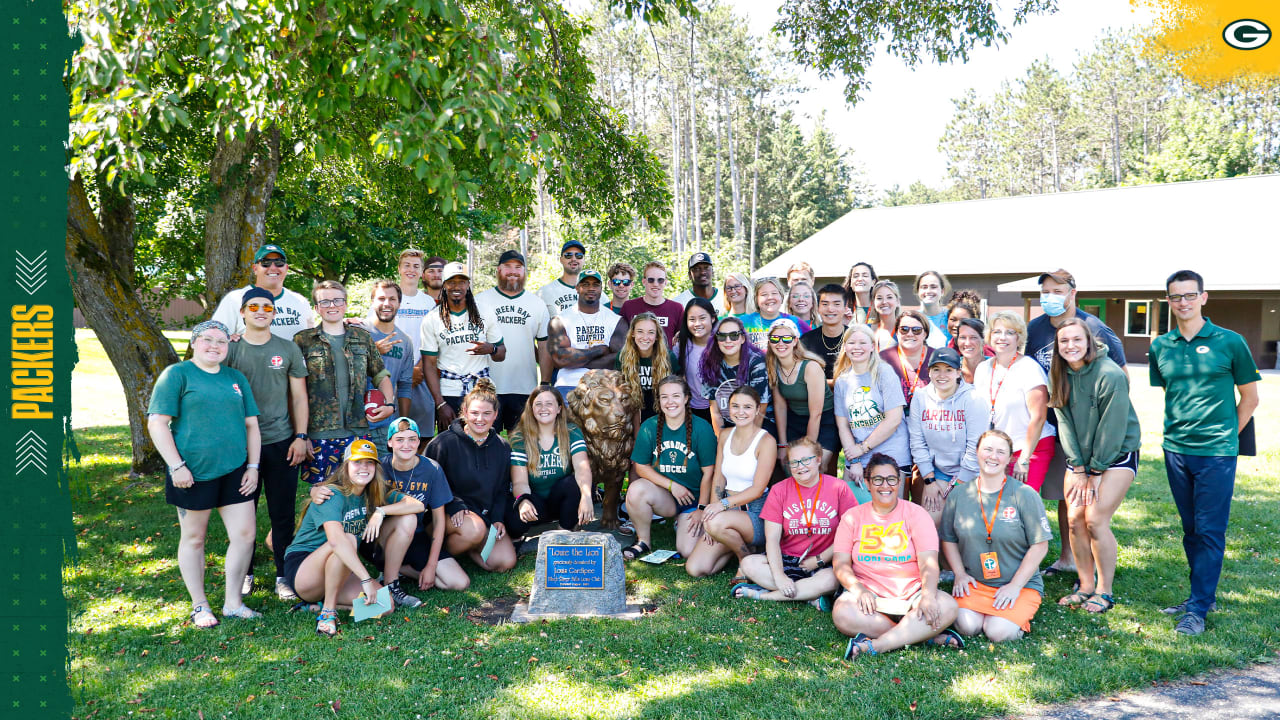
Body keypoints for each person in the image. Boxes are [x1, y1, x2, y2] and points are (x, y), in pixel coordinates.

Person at [1150, 269, 1260, 635]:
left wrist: (1227, 437)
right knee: (1190, 529)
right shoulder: (1160, 346)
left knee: (1210, 530)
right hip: (1175, 449)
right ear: (1168, 300)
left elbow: (1250, 397)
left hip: (1216, 453)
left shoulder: (1230, 342)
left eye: (1189, 295)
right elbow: (1171, 393)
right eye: (1175, 297)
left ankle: (1197, 610)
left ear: (1203, 297)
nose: (1183, 302)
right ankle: (1202, 595)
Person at [147, 320, 263, 628]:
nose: (215, 346)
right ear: (195, 343)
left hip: (236, 469)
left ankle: (233, 603)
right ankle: (199, 606)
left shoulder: (235, 377)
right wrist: (176, 466)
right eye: (208, 340)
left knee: (244, 535)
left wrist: (253, 466)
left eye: (222, 342)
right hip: (192, 472)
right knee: (195, 538)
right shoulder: (177, 374)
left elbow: (252, 425)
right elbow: (158, 423)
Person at [1024, 268, 1128, 579]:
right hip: (1054, 424)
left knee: (1088, 506)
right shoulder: (1035, 329)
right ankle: (1068, 557)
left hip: (1091, 430)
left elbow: (1120, 376)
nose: (1051, 297)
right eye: (1046, 292)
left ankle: (1090, 562)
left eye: (1058, 291)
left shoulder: (1094, 327)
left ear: (1073, 293)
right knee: (1062, 495)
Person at [306, 420, 471, 608]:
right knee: (402, 521)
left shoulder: (431, 469)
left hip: (414, 538)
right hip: (375, 538)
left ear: (419, 442)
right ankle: (390, 583)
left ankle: (395, 573)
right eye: (399, 439)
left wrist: (431, 566)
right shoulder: (376, 467)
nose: (406, 445)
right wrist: (314, 491)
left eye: (412, 439)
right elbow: (337, 482)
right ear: (390, 442)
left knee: (457, 583)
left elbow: (437, 519)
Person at [283, 438, 426, 636]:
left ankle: (314, 606)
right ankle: (328, 613)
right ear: (346, 466)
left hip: (339, 568)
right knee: (347, 539)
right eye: (357, 462)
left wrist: (381, 512)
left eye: (369, 463)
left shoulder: (373, 493)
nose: (363, 467)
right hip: (305, 570)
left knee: (386, 606)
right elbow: (336, 540)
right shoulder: (332, 494)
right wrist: (366, 579)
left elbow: (417, 506)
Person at [1048, 319, 1140, 615]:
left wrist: (1096, 472)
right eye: (1064, 341)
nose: (1070, 346)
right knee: (1074, 518)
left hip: (1115, 455)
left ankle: (1104, 591)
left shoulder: (1110, 374)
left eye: (1077, 340)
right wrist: (1077, 468)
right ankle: (1085, 585)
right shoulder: (1060, 372)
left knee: (1095, 519)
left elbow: (1112, 430)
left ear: (1088, 342)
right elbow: (1063, 421)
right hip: (1080, 460)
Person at [224, 288, 311, 600]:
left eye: (267, 307)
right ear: (243, 312)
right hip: (239, 444)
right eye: (254, 306)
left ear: (274, 313)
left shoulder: (287, 349)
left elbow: (300, 397)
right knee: (241, 512)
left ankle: (283, 575)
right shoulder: (230, 349)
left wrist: (300, 437)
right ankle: (243, 572)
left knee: (282, 513)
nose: (261, 311)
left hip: (280, 441)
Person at [832, 456, 962, 658]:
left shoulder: (916, 514)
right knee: (842, 613)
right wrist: (859, 590)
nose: (885, 485)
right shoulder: (852, 517)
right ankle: (922, 635)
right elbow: (840, 564)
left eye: (891, 479)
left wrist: (927, 596)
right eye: (878, 480)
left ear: (899, 482)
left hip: (912, 595)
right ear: (867, 483)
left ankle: (878, 645)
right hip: (871, 598)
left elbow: (929, 563)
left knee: (949, 606)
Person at [941, 430, 1053, 643]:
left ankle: (1008, 618)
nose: (993, 456)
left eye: (1000, 452)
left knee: (998, 632)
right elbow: (948, 539)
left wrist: (1015, 586)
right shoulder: (959, 495)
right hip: (976, 582)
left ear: (1010, 458)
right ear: (977, 453)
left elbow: (1040, 546)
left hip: (1019, 584)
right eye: (988, 450)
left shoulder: (1024, 494)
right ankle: (986, 613)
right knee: (966, 625)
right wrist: (959, 574)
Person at [731, 437, 859, 608]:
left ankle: (765, 596)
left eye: (806, 460)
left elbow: (850, 533)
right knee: (748, 563)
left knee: (832, 579)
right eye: (794, 462)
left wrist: (820, 559)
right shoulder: (779, 490)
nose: (800, 466)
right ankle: (808, 595)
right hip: (787, 559)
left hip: (823, 561)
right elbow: (772, 540)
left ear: (818, 459)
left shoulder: (838, 487)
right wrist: (779, 575)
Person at [294, 280, 396, 485]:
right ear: (317, 308)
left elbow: (380, 375)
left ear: (346, 304)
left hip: (357, 431)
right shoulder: (302, 341)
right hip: (319, 434)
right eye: (325, 302)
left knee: (359, 491)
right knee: (323, 494)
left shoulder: (362, 337)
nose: (332, 306)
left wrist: (390, 405)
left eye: (337, 300)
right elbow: (296, 393)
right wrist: (301, 436)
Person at [424, 379, 518, 572]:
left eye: (486, 414)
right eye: (474, 413)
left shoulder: (502, 447)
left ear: (495, 415)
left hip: (483, 518)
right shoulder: (443, 443)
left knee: (504, 562)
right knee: (473, 531)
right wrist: (453, 504)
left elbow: (502, 490)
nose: (480, 419)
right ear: (465, 413)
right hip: (447, 516)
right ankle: (438, 555)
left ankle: (470, 548)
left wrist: (498, 518)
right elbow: (429, 484)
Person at [623, 375, 719, 561]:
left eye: (675, 396)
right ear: (658, 400)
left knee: (688, 551)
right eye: (664, 397)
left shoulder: (702, 428)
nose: (670, 402)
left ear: (686, 398)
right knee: (636, 490)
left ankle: (681, 522)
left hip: (694, 498)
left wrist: (701, 508)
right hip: (666, 497)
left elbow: (710, 473)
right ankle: (643, 541)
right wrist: (671, 485)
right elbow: (641, 467)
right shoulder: (649, 427)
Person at [692, 387, 775, 579]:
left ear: (757, 410)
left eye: (747, 407)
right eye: (735, 406)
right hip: (727, 512)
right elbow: (719, 478)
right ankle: (742, 545)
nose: (740, 412)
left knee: (716, 524)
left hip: (754, 512)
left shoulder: (766, 441)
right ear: (728, 409)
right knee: (696, 568)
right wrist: (710, 513)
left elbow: (757, 489)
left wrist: (720, 508)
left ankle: (745, 559)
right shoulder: (725, 435)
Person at [972, 312, 1056, 492]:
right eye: (997, 332)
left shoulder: (1029, 368)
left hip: (1029, 449)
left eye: (1010, 332)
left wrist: (1024, 459)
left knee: (1019, 506)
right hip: (997, 450)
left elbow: (1039, 417)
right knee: (994, 503)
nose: (1002, 337)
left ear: (1019, 338)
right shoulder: (983, 368)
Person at [364, 248, 440, 445]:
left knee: (420, 430)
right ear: (399, 268)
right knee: (388, 428)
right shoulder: (388, 297)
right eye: (406, 265)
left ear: (422, 271)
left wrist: (419, 368)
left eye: (416, 266)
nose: (411, 270)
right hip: (388, 369)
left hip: (420, 370)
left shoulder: (428, 302)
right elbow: (370, 330)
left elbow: (434, 338)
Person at [419, 262, 506, 431]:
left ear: (468, 284)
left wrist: (492, 349)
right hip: (449, 392)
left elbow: (501, 353)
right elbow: (429, 365)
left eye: (461, 281)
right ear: (444, 285)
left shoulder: (484, 311)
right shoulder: (432, 318)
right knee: (453, 444)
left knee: (482, 440)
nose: (456, 286)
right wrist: (440, 403)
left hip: (480, 389)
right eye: (451, 282)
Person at [907, 348, 988, 526]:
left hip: (971, 471)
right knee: (929, 522)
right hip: (938, 471)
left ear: (958, 372)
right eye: (936, 369)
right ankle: (934, 555)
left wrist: (958, 485)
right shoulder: (920, 397)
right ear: (929, 372)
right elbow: (917, 442)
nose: (942, 375)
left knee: (963, 526)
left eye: (948, 370)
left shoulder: (974, 399)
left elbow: (977, 446)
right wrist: (929, 480)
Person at [476, 250, 552, 433]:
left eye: (518, 267)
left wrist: (546, 383)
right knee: (484, 440)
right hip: (487, 386)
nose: (513, 271)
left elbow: (544, 347)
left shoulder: (536, 304)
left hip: (524, 387)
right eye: (507, 267)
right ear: (498, 270)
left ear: (525, 272)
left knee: (521, 444)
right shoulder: (480, 301)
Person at [505, 388, 595, 538]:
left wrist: (586, 496)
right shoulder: (520, 437)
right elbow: (519, 482)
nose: (543, 408)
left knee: (576, 485)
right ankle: (533, 524)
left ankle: (564, 530)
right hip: (536, 501)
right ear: (531, 409)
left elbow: (582, 468)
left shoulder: (571, 431)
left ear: (559, 408)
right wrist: (523, 501)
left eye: (549, 403)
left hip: (560, 499)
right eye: (538, 404)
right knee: (514, 524)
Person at [833, 324, 910, 493]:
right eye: (852, 343)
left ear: (872, 347)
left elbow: (894, 420)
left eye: (862, 343)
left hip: (890, 451)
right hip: (857, 455)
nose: (857, 347)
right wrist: (854, 461)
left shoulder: (884, 372)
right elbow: (843, 426)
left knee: (889, 512)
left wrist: (862, 448)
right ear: (845, 347)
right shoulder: (842, 381)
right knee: (852, 511)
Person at [767, 317, 837, 470]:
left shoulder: (810, 368)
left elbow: (816, 414)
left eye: (786, 338)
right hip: (795, 420)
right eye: (775, 339)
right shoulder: (773, 367)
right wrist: (783, 444)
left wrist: (808, 449)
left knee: (813, 466)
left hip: (824, 420)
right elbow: (780, 407)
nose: (780, 343)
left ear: (795, 341)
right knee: (790, 467)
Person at [547, 269, 628, 399]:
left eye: (595, 285)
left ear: (601, 288)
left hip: (605, 385)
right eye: (585, 284)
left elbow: (620, 358)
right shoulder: (560, 320)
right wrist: (598, 350)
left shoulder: (616, 321)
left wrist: (577, 359)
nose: (591, 288)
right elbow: (560, 359)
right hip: (568, 385)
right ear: (577, 288)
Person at [210, 244, 313, 340]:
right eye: (265, 263)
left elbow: (311, 341)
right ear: (255, 269)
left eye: (279, 262)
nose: (273, 268)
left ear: (286, 268)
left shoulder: (300, 302)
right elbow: (213, 338)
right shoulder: (235, 299)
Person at [699, 315, 772, 437]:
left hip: (758, 425)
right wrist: (721, 440)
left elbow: (761, 409)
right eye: (722, 336)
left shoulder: (756, 363)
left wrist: (747, 442)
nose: (728, 340)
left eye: (734, 335)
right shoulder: (711, 363)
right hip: (728, 426)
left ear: (742, 338)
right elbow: (715, 412)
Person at [366, 281, 415, 440]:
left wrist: (402, 424)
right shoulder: (357, 331)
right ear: (372, 302)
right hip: (353, 425)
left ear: (399, 303)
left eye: (392, 299)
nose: (386, 303)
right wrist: (373, 352)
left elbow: (405, 385)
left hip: (385, 425)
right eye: (381, 298)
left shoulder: (405, 341)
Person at [615, 312, 677, 427]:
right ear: (632, 333)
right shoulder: (623, 357)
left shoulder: (668, 357)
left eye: (651, 332)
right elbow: (620, 393)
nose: (645, 337)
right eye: (640, 331)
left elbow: (677, 392)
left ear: (657, 336)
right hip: (632, 413)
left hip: (662, 413)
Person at [880, 310, 936, 413]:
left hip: (929, 420)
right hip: (893, 422)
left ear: (925, 334)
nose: (910, 334)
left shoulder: (937, 358)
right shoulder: (882, 359)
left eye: (916, 330)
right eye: (904, 329)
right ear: (897, 333)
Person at [675, 297, 719, 424]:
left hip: (722, 410)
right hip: (693, 411)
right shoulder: (681, 347)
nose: (697, 324)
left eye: (702, 318)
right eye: (692, 319)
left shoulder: (723, 343)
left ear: (712, 318)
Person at [868, 280, 945, 352]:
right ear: (873, 303)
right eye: (879, 298)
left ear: (897, 301)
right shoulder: (867, 330)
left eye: (889, 297)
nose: (884, 302)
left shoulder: (907, 330)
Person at [622, 261, 684, 346]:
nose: (655, 284)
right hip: (635, 358)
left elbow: (682, 341)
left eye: (660, 280)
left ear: (665, 282)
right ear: (644, 282)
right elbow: (621, 339)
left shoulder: (677, 309)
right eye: (651, 280)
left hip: (665, 358)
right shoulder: (629, 306)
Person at [800, 284, 850, 389]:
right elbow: (800, 377)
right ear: (818, 308)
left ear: (845, 308)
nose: (830, 309)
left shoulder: (855, 337)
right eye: (825, 304)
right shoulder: (806, 341)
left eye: (836, 304)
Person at [738, 277, 803, 351]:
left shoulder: (795, 322)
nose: (770, 297)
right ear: (756, 299)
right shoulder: (743, 322)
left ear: (781, 296)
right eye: (764, 294)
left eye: (774, 293)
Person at [538, 240, 585, 317]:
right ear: (561, 259)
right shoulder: (544, 293)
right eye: (568, 255)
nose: (573, 259)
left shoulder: (596, 293)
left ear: (583, 260)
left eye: (579, 255)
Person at [914, 271, 953, 342]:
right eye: (924, 287)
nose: (928, 291)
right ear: (918, 291)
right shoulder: (913, 318)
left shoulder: (951, 317)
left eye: (933, 287)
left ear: (942, 291)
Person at [953, 317, 992, 385]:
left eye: (973, 338)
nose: (967, 343)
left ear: (984, 341)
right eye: (963, 337)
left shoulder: (995, 367)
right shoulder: (951, 367)